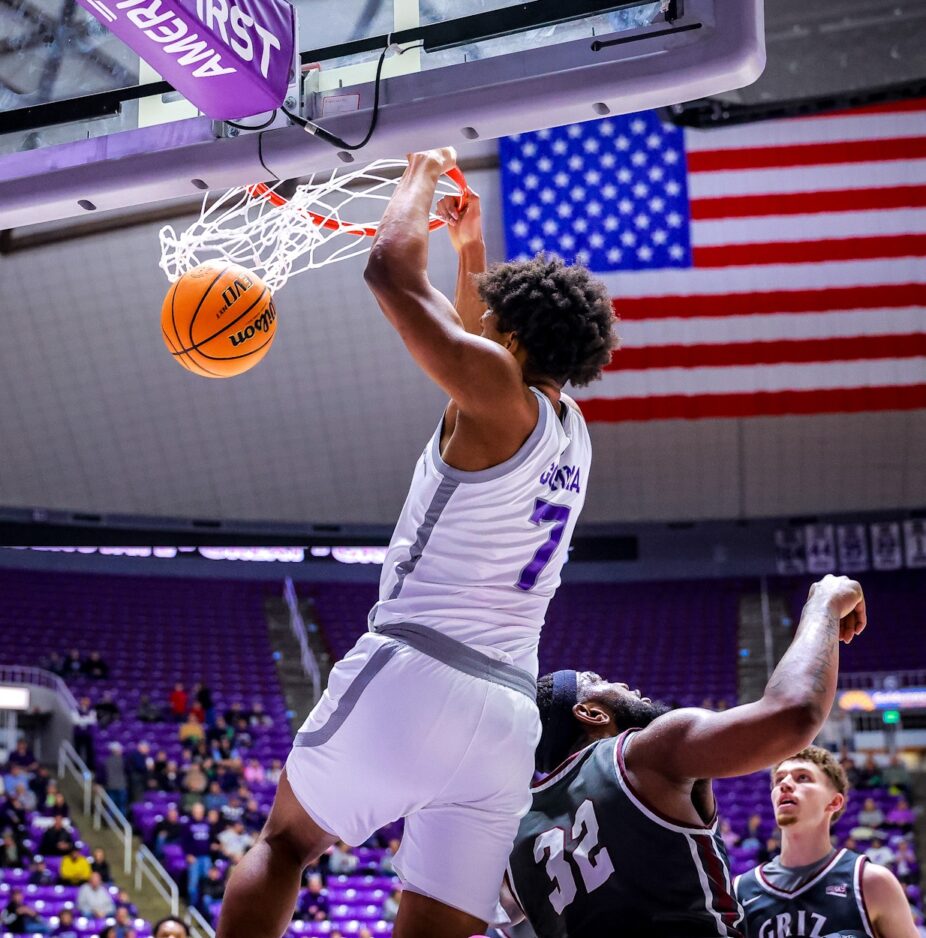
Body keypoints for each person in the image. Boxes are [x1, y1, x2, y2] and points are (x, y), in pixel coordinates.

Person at [216, 146, 615, 938]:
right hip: (505, 723)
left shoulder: (497, 395)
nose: (481, 319)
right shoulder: (572, 430)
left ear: (512, 339)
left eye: (494, 318)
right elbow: (478, 342)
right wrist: (471, 249)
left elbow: (391, 275)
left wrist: (424, 170)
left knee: (289, 843)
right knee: (436, 925)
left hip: (418, 669)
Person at [503, 575, 867, 938]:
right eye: (599, 680)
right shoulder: (644, 752)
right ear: (592, 714)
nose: (622, 684)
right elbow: (794, 712)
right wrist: (823, 604)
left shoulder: (515, 840)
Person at [735, 746, 918, 938]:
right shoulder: (741, 890)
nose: (785, 784)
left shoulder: (871, 882)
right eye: (779, 779)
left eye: (802, 777)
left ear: (834, 802)